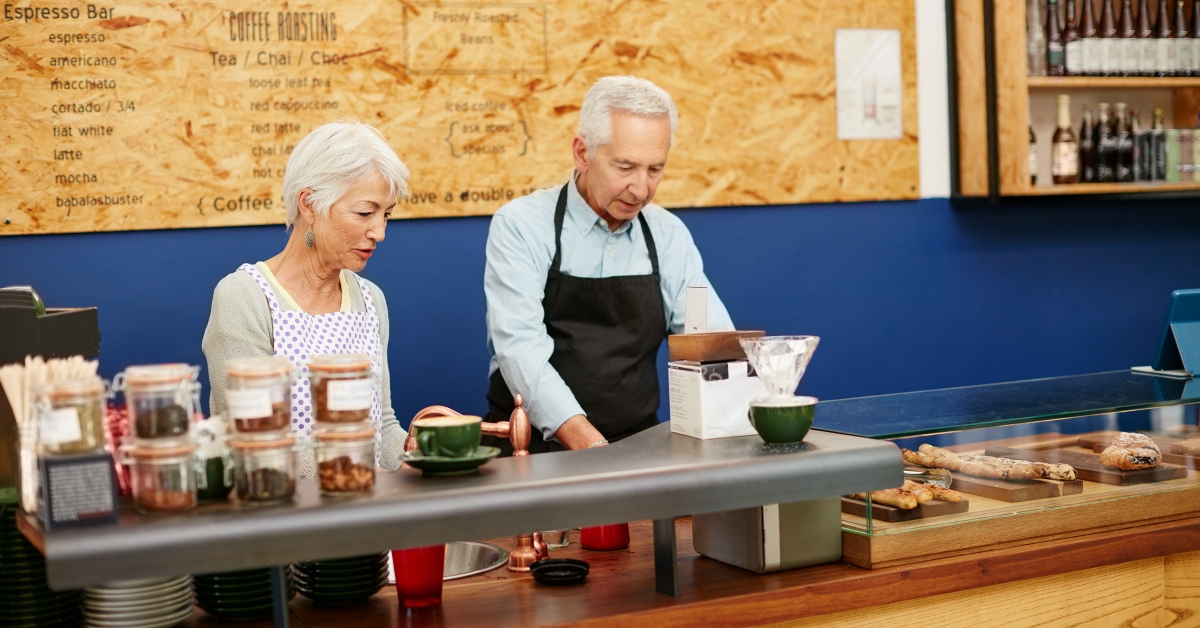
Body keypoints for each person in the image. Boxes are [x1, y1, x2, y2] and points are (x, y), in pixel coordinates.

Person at [484, 76, 734, 454]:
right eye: (625, 167)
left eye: (655, 169)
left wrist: (745, 409)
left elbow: (710, 342)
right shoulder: (521, 225)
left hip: (638, 447)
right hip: (534, 453)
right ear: (582, 153)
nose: (641, 189)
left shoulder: (668, 234)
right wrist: (594, 448)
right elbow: (520, 350)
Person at [202, 120, 410, 472]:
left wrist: (416, 465)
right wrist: (353, 473)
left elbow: (383, 426)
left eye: (386, 215)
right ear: (309, 204)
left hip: (365, 512)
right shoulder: (245, 298)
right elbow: (253, 442)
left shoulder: (371, 300)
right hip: (278, 515)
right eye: (364, 212)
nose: (379, 232)